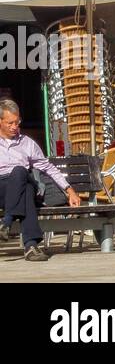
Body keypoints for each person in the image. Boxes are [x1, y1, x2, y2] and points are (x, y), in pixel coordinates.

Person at [0, 99, 80, 261]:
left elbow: (48, 168)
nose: (15, 126)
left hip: (21, 182)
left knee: (21, 174)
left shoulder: (27, 143)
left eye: (17, 122)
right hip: (2, 188)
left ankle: (6, 223)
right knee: (26, 191)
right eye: (10, 123)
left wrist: (70, 191)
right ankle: (30, 246)